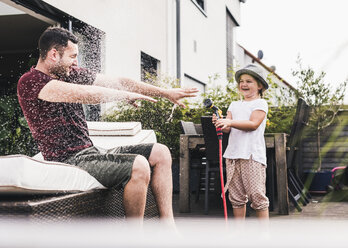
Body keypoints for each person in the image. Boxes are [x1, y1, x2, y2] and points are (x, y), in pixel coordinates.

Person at [17, 27, 198, 223]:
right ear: (54, 54)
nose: (76, 62)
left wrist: (165, 93)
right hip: (67, 160)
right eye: (73, 56)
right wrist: (123, 96)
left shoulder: (69, 73)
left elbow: (120, 82)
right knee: (139, 165)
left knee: (161, 152)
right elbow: (82, 94)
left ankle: (168, 225)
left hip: (90, 153)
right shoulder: (31, 81)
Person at [213, 64, 269, 219]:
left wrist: (229, 122)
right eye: (242, 81)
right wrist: (221, 122)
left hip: (251, 156)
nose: (244, 84)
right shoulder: (234, 105)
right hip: (233, 155)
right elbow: (228, 129)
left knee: (256, 194)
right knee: (236, 196)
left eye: (249, 81)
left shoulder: (260, 104)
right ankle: (239, 233)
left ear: (260, 86)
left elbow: (253, 124)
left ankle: (264, 234)